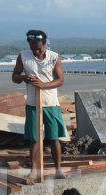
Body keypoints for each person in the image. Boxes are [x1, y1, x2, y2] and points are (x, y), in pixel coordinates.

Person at [12, 29, 68, 179]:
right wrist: (24, 77)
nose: (35, 51)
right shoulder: (23, 57)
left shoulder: (54, 57)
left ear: (44, 44)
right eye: (32, 47)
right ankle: (34, 171)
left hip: (51, 103)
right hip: (32, 104)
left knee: (54, 138)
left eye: (38, 48)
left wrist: (44, 85)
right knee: (34, 138)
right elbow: (14, 77)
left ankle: (58, 170)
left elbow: (60, 80)